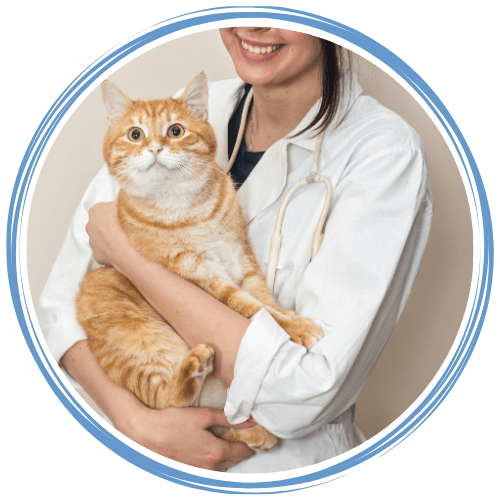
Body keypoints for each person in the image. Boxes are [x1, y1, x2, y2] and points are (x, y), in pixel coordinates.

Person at [37, 27, 434, 474]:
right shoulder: (175, 116)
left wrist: (131, 258)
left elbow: (303, 393)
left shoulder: (383, 152)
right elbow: (56, 311)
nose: (253, 24)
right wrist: (135, 424)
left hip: (286, 470)